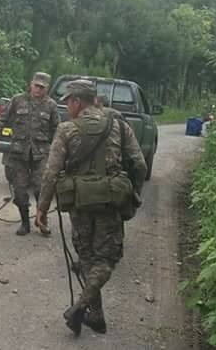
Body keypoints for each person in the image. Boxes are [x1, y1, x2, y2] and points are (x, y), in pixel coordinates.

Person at [34, 80, 147, 337]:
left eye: (68, 102)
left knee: (87, 258)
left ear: (76, 101)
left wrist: (41, 208)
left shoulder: (66, 129)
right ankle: (91, 312)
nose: (66, 107)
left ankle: (85, 308)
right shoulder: (118, 124)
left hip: (81, 204)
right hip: (110, 202)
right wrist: (134, 193)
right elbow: (139, 164)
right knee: (106, 258)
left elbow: (51, 174)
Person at [0, 72, 59, 236]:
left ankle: (42, 221)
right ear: (31, 84)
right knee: (20, 190)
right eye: (36, 86)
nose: (38, 89)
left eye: (42, 87)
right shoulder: (17, 100)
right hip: (18, 153)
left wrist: (56, 150)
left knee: (41, 189)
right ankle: (25, 223)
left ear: (47, 89)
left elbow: (57, 129)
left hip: (40, 154)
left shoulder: (51, 105)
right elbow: (1, 119)